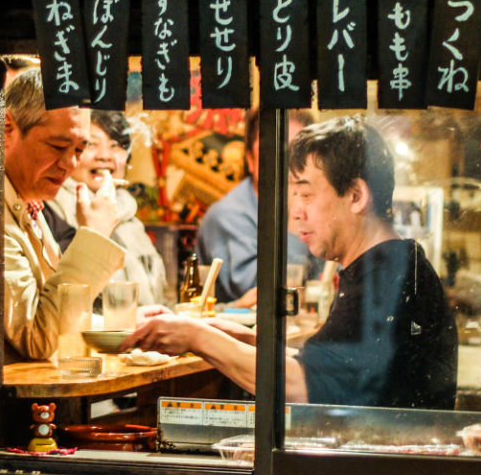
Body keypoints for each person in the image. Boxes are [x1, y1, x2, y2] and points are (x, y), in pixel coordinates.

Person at [122, 115, 458, 409]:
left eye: (306, 194)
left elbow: (303, 386)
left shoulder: (387, 276)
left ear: (356, 196)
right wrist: (234, 334)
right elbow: (330, 367)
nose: (296, 211)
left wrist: (197, 337)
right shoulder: (385, 265)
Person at [3, 67, 125, 361]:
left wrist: (129, 325)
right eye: (58, 146)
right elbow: (38, 338)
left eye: (80, 149)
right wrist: (93, 237)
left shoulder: (29, 203)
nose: (70, 163)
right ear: (8, 129)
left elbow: (56, 314)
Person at [43, 109, 169, 307]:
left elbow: (156, 302)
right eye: (91, 144)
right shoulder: (47, 212)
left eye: (116, 145)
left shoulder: (130, 219)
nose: (105, 156)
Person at [197, 107, 321, 305]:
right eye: (272, 150)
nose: (285, 162)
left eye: (296, 152)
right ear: (251, 160)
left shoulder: (317, 204)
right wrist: (295, 214)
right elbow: (264, 296)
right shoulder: (230, 215)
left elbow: (327, 281)